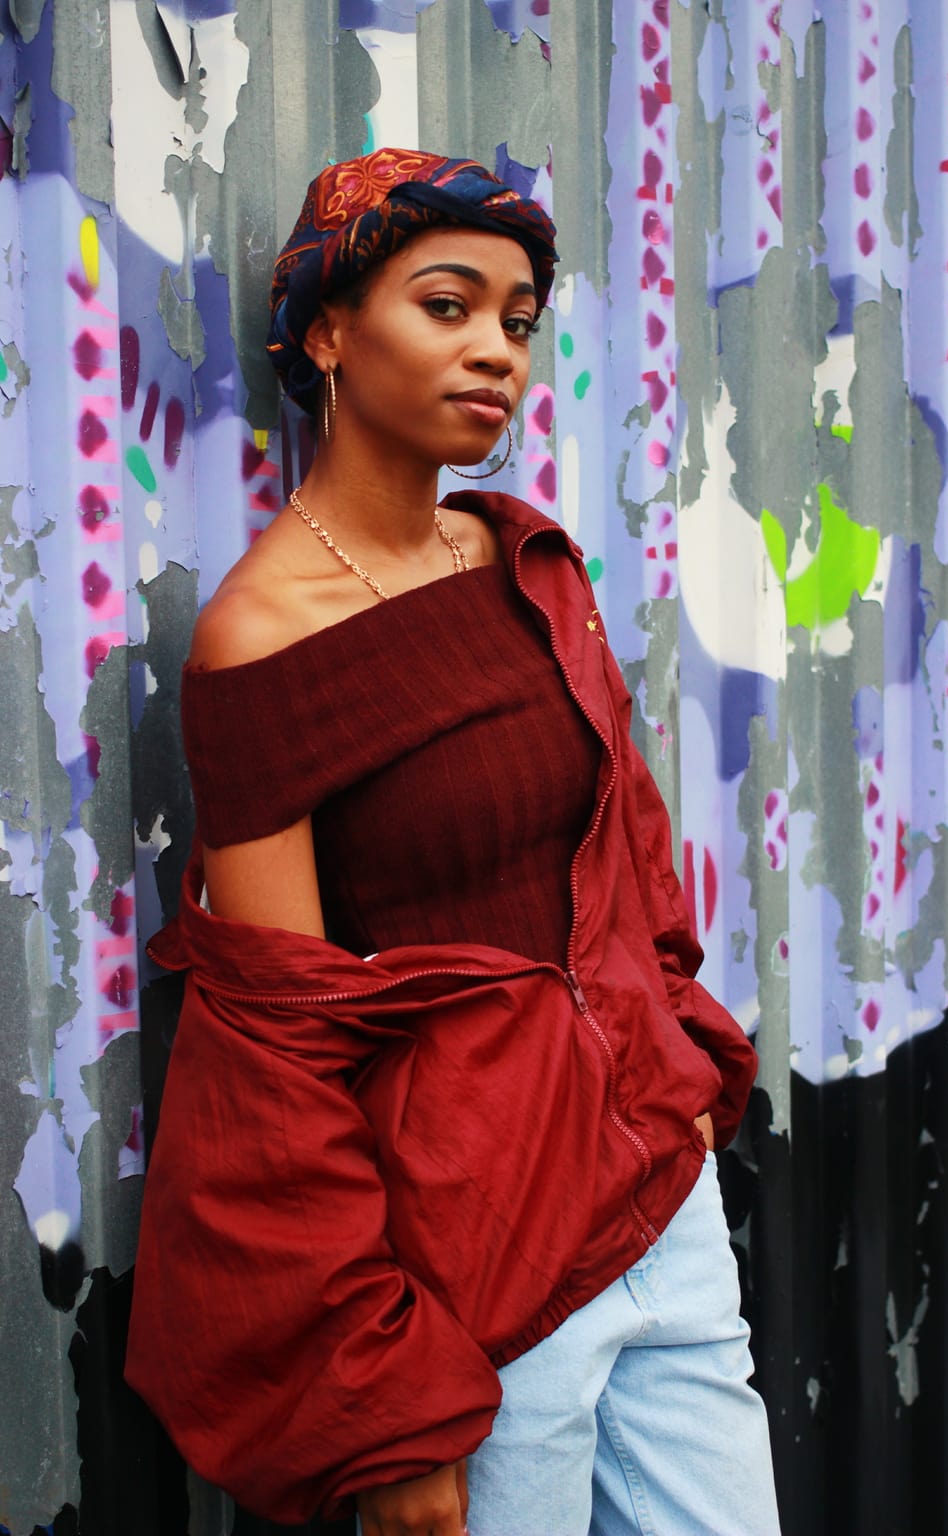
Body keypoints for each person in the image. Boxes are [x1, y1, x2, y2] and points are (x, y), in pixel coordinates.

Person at [126, 148, 780, 1536]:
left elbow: (627, 859)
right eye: (446, 303)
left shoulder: (523, 564)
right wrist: (385, 1401)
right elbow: (276, 1045)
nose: (497, 349)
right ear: (327, 334)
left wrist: (675, 1054)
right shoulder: (263, 641)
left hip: (659, 1202)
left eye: (520, 317)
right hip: (479, 1275)